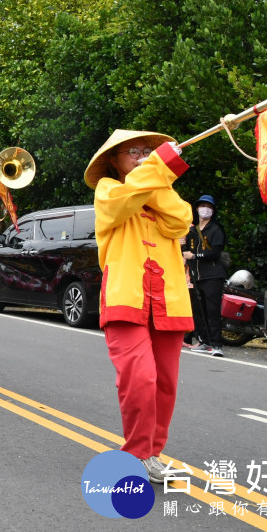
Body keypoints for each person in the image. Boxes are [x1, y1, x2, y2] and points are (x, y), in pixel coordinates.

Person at [85, 129, 192, 485]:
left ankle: (153, 454)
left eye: (147, 151)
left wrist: (155, 177)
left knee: (165, 383)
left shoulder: (162, 190)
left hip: (169, 298)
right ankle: (136, 453)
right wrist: (159, 166)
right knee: (140, 378)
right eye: (133, 152)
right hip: (125, 296)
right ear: (113, 161)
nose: (142, 156)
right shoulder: (107, 190)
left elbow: (180, 219)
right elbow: (120, 204)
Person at [183, 195, 227, 357]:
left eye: (209, 206)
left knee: (212, 310)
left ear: (213, 210)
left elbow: (214, 252)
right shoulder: (192, 231)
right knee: (198, 311)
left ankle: (216, 345)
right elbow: (187, 250)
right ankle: (204, 341)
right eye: (202, 206)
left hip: (213, 276)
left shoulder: (216, 229)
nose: (205, 209)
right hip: (196, 276)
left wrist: (195, 256)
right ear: (196, 208)